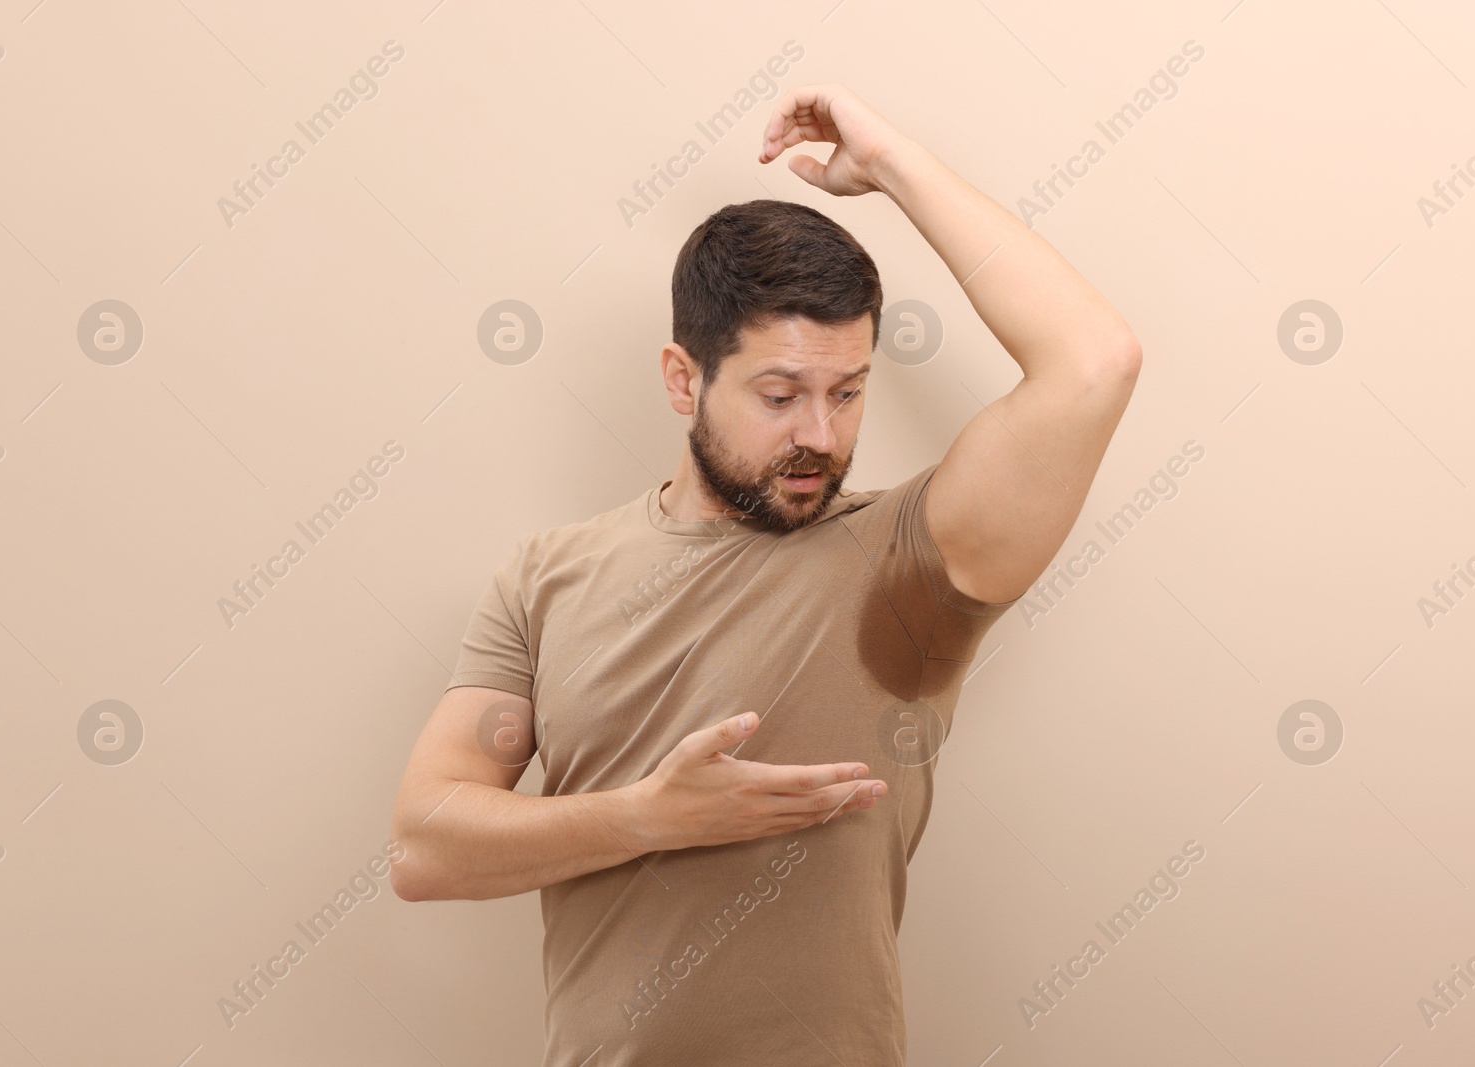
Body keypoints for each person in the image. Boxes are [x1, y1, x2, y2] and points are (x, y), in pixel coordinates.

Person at [389, 83, 1141, 1066]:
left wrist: (891, 166)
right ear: (681, 378)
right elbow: (424, 846)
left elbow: (1094, 361)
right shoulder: (548, 575)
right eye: (779, 393)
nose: (820, 436)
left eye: (848, 390)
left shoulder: (912, 564)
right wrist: (648, 816)